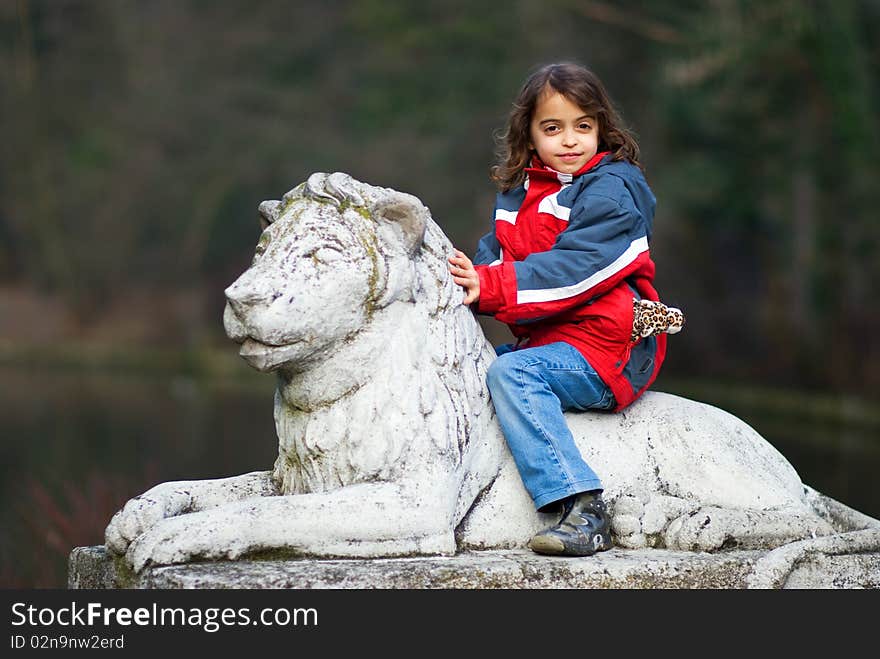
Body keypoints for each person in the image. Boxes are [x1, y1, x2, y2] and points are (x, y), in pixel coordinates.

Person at [448, 62, 683, 557]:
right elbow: (494, 253)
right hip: (554, 340)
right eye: (552, 128)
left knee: (513, 374)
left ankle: (581, 504)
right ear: (529, 136)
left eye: (583, 126)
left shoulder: (613, 192)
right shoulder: (520, 193)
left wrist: (489, 285)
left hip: (608, 347)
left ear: (602, 129)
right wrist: (456, 276)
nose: (570, 140)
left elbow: (576, 270)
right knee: (469, 371)